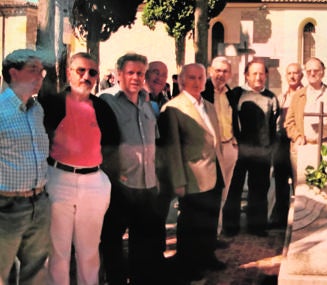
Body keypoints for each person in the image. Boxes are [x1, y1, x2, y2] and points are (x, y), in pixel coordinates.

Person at [39, 52, 120, 285]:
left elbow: (112, 146)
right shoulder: (51, 104)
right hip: (58, 179)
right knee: (58, 251)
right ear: (68, 72)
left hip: (93, 182)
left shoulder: (103, 108)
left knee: (89, 251)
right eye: (80, 71)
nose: (87, 76)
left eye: (92, 72)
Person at [99, 52, 167, 285]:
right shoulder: (106, 101)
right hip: (120, 185)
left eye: (140, 73)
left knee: (143, 242)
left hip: (147, 185)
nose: (136, 77)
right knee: (113, 241)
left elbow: (153, 142)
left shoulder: (147, 102)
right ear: (119, 75)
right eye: (131, 73)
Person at [158, 63, 226, 282]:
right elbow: (173, 148)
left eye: (201, 78)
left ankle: (207, 256)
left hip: (214, 173)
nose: (197, 82)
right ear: (182, 81)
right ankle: (188, 264)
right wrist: (179, 180)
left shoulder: (209, 105)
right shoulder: (173, 108)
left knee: (209, 219)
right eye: (192, 78)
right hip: (191, 177)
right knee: (190, 223)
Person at [0, 49, 50, 285]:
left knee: (36, 272)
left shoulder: (36, 110)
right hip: (6, 207)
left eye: (41, 71)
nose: (40, 76)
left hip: (38, 203)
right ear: (13, 73)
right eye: (33, 70)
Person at [222, 60, 279, 237]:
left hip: (262, 152)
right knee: (234, 188)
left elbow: (273, 124)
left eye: (261, 73)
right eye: (254, 73)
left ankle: (257, 226)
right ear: (247, 75)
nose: (258, 77)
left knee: (259, 190)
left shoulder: (271, 97)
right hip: (239, 151)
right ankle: (231, 226)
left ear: (266, 76)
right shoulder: (237, 94)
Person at [284, 57, 327, 181]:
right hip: (305, 145)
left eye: (316, 70)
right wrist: (297, 137)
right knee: (303, 186)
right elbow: (289, 122)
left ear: (323, 72)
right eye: (308, 70)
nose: (312, 73)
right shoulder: (298, 96)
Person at [201, 56, 238, 246]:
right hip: (210, 151)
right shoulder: (203, 92)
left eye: (225, 71)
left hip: (229, 146)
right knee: (210, 193)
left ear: (229, 74)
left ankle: (216, 233)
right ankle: (207, 237)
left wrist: (235, 141)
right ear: (210, 70)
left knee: (224, 193)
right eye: (217, 70)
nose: (221, 75)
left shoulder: (230, 93)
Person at [270, 62, 304, 229]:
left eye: (296, 73)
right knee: (281, 181)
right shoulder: (282, 96)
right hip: (281, 143)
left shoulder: (305, 95)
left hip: (296, 143)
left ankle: (300, 219)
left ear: (301, 76)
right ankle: (280, 219)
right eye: (289, 73)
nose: (292, 76)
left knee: (298, 181)